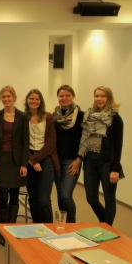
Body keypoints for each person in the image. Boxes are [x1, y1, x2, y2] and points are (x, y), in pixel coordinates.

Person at [78, 86, 124, 226]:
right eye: (96, 96)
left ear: (108, 98)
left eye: (102, 96)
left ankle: (107, 227)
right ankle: (105, 223)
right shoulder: (88, 115)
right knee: (91, 198)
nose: (99, 99)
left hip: (107, 163)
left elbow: (118, 144)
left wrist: (115, 168)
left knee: (109, 199)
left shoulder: (115, 118)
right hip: (90, 161)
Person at [0, 86, 29, 246]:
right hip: (1, 161)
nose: (6, 99)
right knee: (3, 195)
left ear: (14, 97)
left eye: (8, 96)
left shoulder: (22, 116)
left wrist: (24, 164)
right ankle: (3, 230)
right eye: (3, 97)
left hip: (16, 161)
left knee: (14, 195)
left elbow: (25, 141)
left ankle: (12, 230)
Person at [24, 89, 60, 224]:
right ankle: (37, 226)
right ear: (27, 100)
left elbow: (51, 144)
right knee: (32, 197)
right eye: (31, 98)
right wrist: (31, 160)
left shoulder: (48, 117)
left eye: (37, 99)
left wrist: (35, 160)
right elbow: (21, 142)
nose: (34, 101)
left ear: (41, 101)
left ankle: (48, 229)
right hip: (28, 158)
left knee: (44, 199)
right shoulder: (23, 117)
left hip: (45, 159)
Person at [53, 85, 84, 223]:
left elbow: (85, 140)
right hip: (56, 161)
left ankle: (72, 224)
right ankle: (62, 224)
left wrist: (79, 159)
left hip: (72, 161)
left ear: (73, 97)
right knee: (60, 195)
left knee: (66, 195)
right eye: (61, 96)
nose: (64, 98)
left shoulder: (81, 116)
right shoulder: (54, 116)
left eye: (67, 95)